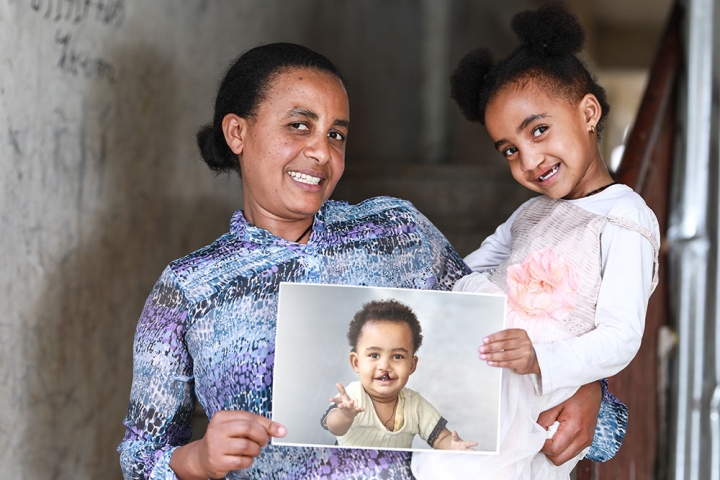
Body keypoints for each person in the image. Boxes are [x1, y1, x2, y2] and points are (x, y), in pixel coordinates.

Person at [117, 41, 626, 480]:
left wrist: (588, 389)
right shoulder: (189, 289)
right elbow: (140, 458)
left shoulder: (397, 233)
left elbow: (508, 333)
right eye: (299, 126)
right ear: (237, 133)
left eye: (336, 134)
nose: (321, 152)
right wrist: (197, 460)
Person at [411, 2, 660, 479]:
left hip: (545, 386)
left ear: (588, 112)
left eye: (539, 130)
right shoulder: (531, 213)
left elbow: (620, 337)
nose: (529, 160)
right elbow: (471, 273)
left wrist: (540, 357)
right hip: (496, 380)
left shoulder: (625, 217)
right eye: (510, 150)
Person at [322, 299, 477, 450]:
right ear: (356, 362)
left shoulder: (415, 404)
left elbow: (441, 437)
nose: (384, 366)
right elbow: (334, 427)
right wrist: (345, 415)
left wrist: (454, 446)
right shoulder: (353, 397)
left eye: (397, 356)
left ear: (412, 365)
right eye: (374, 355)